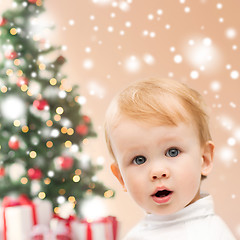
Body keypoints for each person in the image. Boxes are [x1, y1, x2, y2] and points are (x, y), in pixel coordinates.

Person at [104, 78, 236, 240]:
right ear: (120, 177)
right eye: (139, 159)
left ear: (204, 159)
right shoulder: (134, 236)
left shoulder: (211, 234)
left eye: (172, 152)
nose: (158, 172)